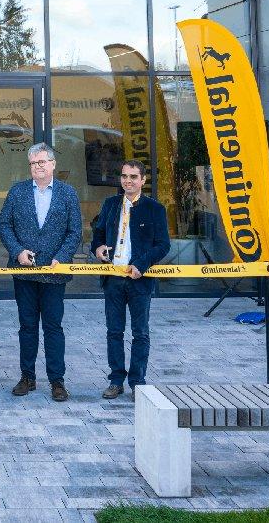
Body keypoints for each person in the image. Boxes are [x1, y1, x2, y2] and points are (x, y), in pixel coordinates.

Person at [0, 143, 82, 402]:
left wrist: (62, 257)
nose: (37, 167)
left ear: (53, 164)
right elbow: (4, 225)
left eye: (42, 162)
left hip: (54, 273)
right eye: (33, 163)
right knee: (27, 327)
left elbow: (75, 231)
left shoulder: (68, 193)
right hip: (24, 273)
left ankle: (57, 381)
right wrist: (17, 252)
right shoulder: (17, 191)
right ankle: (27, 377)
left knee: (53, 327)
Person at [91, 159, 170, 401]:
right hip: (113, 279)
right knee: (114, 331)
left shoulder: (155, 209)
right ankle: (116, 381)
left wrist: (141, 265)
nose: (128, 181)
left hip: (139, 280)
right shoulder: (110, 204)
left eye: (133, 176)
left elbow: (163, 245)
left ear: (143, 180)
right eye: (124, 176)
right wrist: (98, 249)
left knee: (140, 332)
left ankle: (137, 382)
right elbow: (98, 235)